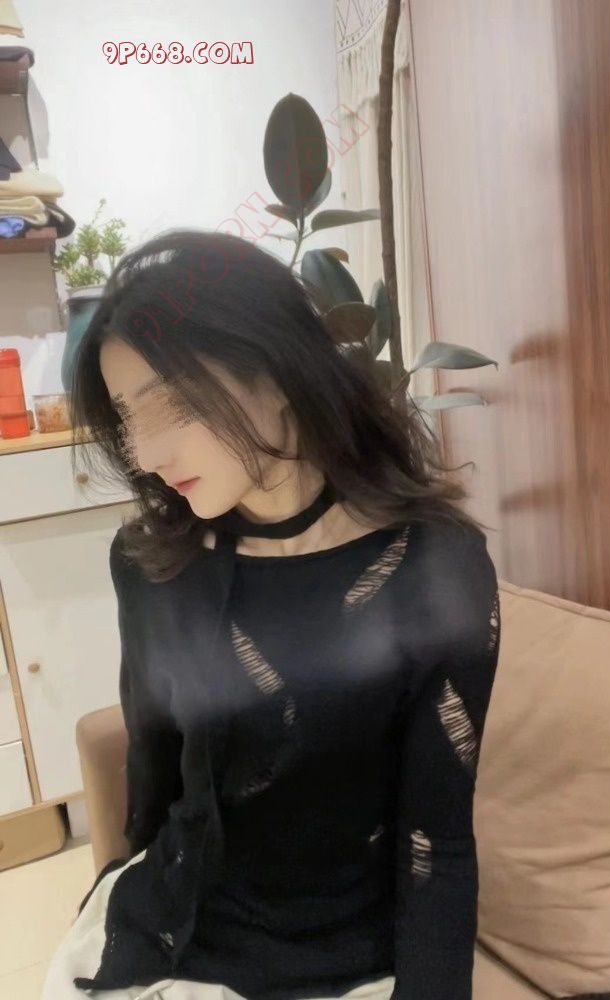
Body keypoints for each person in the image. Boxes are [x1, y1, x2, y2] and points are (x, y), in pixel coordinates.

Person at [42, 229, 501, 1000]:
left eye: (171, 404)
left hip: (342, 963)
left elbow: (437, 841)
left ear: (277, 371)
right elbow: (154, 777)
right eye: (127, 417)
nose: (146, 453)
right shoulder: (152, 562)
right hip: (175, 931)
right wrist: (128, 913)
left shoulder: (434, 568)